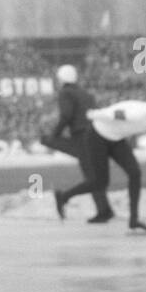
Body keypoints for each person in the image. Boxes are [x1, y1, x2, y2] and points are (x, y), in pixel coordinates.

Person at [76, 89, 146, 233]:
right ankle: (63, 196)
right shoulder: (140, 113)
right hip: (99, 133)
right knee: (100, 180)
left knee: (135, 173)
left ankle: (134, 220)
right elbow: (115, 114)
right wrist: (95, 114)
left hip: (116, 138)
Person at [47, 64, 109, 222]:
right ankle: (104, 210)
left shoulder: (65, 93)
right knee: (95, 175)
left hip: (82, 138)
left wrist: (55, 135)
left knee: (92, 176)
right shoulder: (86, 94)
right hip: (95, 135)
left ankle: (64, 197)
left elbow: (66, 115)